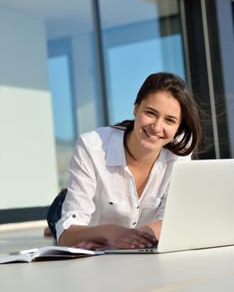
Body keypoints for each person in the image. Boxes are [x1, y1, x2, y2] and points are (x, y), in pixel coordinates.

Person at [48, 72, 202, 250]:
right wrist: (110, 232)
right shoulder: (92, 145)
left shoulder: (180, 154)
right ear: (136, 108)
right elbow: (67, 233)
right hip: (80, 220)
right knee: (58, 216)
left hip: (130, 236)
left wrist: (134, 236)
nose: (157, 127)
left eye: (170, 120)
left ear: (178, 127)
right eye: (151, 113)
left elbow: (173, 219)